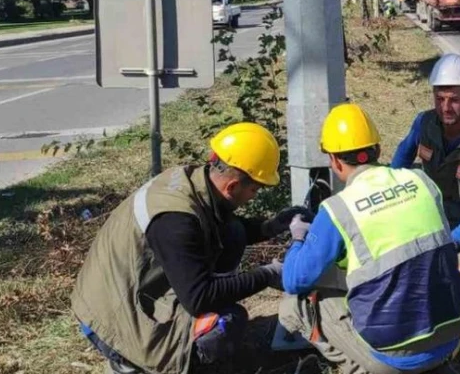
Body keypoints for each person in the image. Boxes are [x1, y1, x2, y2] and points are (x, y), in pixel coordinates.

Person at [71, 122, 306, 374]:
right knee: (225, 324)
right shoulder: (175, 221)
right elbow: (199, 298)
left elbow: (220, 228)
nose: (254, 196)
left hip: (129, 289)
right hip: (111, 318)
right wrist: (267, 274)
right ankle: (129, 362)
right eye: (254, 189)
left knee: (233, 232)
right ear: (232, 187)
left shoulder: (195, 181)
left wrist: (271, 226)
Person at [279, 103, 460, 374]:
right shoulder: (421, 182)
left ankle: (361, 368)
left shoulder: (338, 209)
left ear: (333, 160)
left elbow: (294, 279)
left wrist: (298, 236)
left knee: (294, 303)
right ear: (378, 150)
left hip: (394, 356)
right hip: (451, 336)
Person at [390, 53, 460, 272]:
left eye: (454, 100)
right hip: (425, 218)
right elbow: (399, 164)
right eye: (440, 99)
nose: (446, 107)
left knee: (457, 282)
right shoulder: (423, 123)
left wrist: (454, 240)